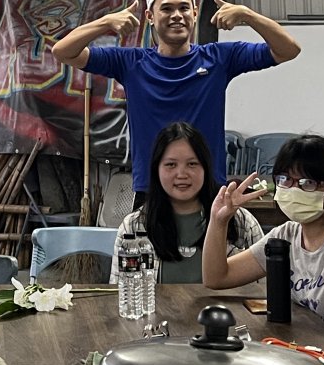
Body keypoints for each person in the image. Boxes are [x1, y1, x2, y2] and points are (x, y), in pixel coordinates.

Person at [53, 0, 299, 204]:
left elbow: (288, 50)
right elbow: (63, 51)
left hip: (207, 188)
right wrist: (105, 22)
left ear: (195, 13)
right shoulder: (130, 63)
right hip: (152, 190)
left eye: (183, 8)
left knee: (213, 242)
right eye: (167, 9)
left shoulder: (220, 58)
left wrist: (247, 14)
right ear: (150, 16)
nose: (177, 15)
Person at [200, 133, 324, 325]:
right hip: (309, 344)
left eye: (308, 183)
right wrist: (219, 221)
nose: (294, 190)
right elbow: (217, 277)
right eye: (285, 180)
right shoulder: (284, 236)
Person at [110, 122, 262, 285]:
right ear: (156, 170)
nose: (181, 174)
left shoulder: (241, 222)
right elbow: (118, 292)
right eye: (171, 165)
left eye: (192, 164)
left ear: (205, 168)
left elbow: (264, 289)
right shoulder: (133, 227)